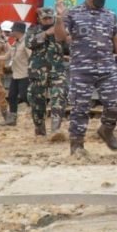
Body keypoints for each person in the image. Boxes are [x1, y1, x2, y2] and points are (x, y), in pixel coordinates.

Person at [55, 0, 117, 156]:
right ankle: (77, 145)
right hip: (81, 70)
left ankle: (106, 130)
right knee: (80, 108)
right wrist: (59, 19)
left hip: (107, 68)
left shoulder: (110, 15)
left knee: (114, 104)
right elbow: (60, 37)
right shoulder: (73, 14)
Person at [26, 9, 68, 137]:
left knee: (59, 96)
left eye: (50, 18)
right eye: (45, 19)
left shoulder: (60, 29)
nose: (48, 21)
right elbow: (29, 43)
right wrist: (46, 33)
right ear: (40, 19)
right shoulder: (33, 30)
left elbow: (67, 44)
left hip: (57, 71)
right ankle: (40, 128)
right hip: (38, 72)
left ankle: (55, 129)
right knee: (37, 102)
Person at [5, 22, 30, 126]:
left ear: (18, 31)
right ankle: (12, 120)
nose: (11, 32)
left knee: (24, 96)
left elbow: (31, 56)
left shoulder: (26, 42)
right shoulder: (16, 43)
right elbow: (7, 56)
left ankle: (38, 110)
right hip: (16, 74)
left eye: (13, 30)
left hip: (25, 74)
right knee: (11, 96)